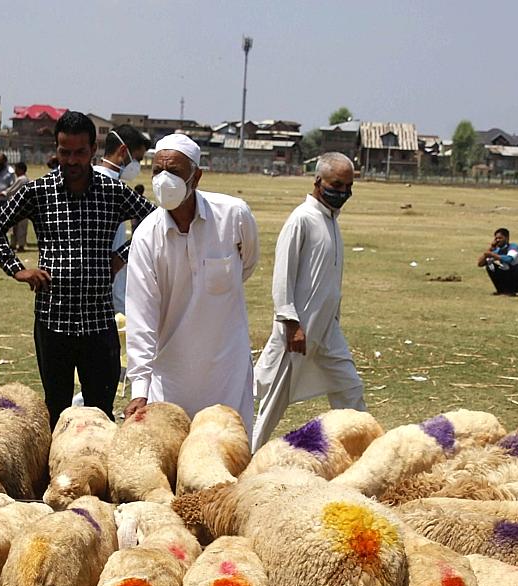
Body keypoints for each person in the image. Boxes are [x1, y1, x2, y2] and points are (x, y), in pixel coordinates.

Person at [0, 111, 155, 424]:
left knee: (100, 413)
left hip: (98, 321)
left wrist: (122, 255)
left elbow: (153, 221)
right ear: (56, 150)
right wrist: (17, 269)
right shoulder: (39, 192)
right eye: (65, 152)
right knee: (56, 409)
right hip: (53, 321)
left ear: (93, 151)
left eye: (79, 152)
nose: (72, 160)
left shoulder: (112, 192)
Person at [124, 133, 259, 428]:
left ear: (196, 177)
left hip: (227, 373)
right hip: (172, 378)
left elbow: (246, 265)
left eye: (173, 171)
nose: (163, 179)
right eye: (157, 170)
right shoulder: (147, 236)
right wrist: (139, 389)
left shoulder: (233, 216)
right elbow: (141, 316)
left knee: (231, 455)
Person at [251, 152, 366, 449]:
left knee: (350, 388)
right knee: (274, 403)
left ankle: (361, 451)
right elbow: (282, 277)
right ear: (318, 181)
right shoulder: (301, 219)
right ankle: (247, 460)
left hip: (328, 330)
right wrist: (291, 324)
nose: (343, 193)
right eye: (337, 185)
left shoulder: (331, 221)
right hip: (297, 331)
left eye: (348, 187)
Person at [94, 124, 151, 315]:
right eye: (137, 159)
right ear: (123, 151)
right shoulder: (112, 187)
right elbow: (155, 219)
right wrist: (121, 256)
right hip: (106, 294)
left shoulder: (93, 180)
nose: (137, 166)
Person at [476, 227, 518, 295]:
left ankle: (511, 291)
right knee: (490, 266)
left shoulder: (514, 247)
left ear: (507, 238)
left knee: (506, 266)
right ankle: (501, 290)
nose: (498, 240)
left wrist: (492, 255)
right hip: (511, 277)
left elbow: (509, 259)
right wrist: (490, 250)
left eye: (500, 238)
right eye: (496, 238)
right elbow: (480, 264)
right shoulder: (498, 251)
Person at [3, 161, 30, 251]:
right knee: (17, 227)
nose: (15, 171)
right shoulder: (23, 179)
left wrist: (1, 193)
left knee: (18, 227)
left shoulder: (22, 179)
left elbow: (11, 190)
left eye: (16, 169)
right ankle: (15, 244)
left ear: (21, 169)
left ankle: (19, 245)